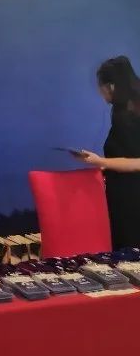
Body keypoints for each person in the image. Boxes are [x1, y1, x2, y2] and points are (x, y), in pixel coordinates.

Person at [77, 56, 140, 249]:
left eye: (101, 86)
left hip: (130, 199)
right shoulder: (126, 110)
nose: (100, 91)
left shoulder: (128, 116)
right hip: (125, 195)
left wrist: (100, 162)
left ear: (111, 86)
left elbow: (137, 162)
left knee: (128, 251)